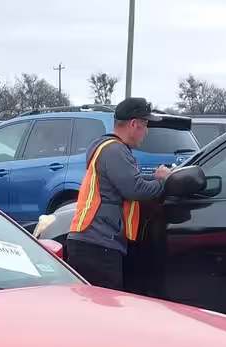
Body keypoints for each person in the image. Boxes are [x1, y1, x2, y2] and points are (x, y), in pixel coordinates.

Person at [65, 98, 173, 291]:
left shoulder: (110, 148)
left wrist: (154, 177)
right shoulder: (115, 150)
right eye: (145, 125)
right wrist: (163, 182)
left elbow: (129, 179)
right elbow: (135, 188)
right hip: (97, 245)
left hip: (93, 242)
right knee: (104, 310)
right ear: (133, 124)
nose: (146, 132)